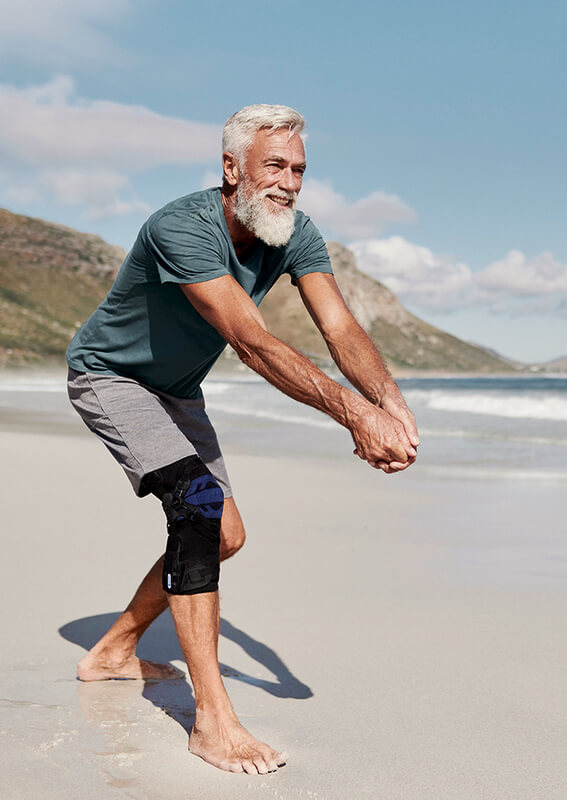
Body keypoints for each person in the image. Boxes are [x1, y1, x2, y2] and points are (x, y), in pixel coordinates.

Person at [65, 104, 420, 776]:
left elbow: (340, 331)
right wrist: (353, 417)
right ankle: (213, 721)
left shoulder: (297, 234)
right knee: (197, 508)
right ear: (232, 169)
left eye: (299, 169)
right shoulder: (182, 226)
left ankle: (113, 650)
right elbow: (252, 342)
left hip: (177, 392)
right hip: (109, 378)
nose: (289, 182)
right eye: (274, 166)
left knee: (223, 533)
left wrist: (390, 407)